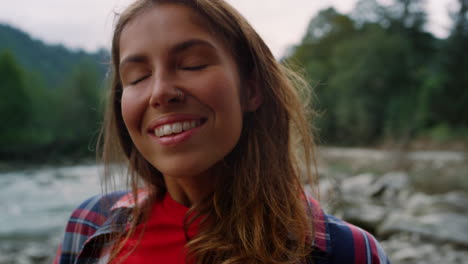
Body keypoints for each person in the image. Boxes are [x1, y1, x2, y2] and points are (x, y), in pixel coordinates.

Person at [54, 0, 390, 263]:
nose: (160, 92)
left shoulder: (346, 252)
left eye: (193, 65)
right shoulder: (89, 227)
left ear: (252, 90)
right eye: (138, 77)